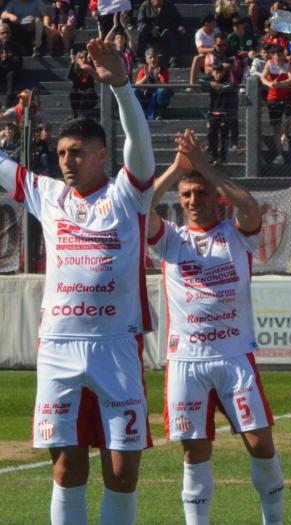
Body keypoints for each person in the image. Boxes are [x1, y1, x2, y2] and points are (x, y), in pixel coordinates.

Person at [0, 38, 155, 525]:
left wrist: (123, 89)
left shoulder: (128, 195)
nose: (66, 161)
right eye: (62, 153)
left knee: (123, 473)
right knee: (67, 470)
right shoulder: (47, 194)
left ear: (103, 156)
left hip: (116, 346)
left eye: (77, 153)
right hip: (58, 347)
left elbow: (142, 148)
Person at [147, 129, 284, 525]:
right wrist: (178, 168)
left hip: (234, 356)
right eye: (186, 195)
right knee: (194, 452)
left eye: (201, 193)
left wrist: (205, 167)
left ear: (216, 198)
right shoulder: (171, 240)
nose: (192, 201)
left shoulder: (235, 235)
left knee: (261, 446)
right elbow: (143, 207)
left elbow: (251, 206)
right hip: (185, 361)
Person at [260, 44, 291, 165]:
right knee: (276, 126)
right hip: (274, 98)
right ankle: (279, 154)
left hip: (287, 97)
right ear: (273, 55)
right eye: (277, 55)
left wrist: (280, 84)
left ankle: (285, 136)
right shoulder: (269, 63)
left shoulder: (288, 62)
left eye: (281, 54)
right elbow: (262, 77)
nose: (280, 57)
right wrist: (269, 83)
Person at [199, 63, 238, 163]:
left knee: (224, 136)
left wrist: (220, 86)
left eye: (220, 72)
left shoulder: (227, 81)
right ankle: (213, 156)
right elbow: (199, 81)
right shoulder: (210, 80)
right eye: (216, 72)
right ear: (212, 72)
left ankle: (223, 157)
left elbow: (233, 85)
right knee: (212, 135)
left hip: (224, 114)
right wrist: (210, 84)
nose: (218, 75)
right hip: (212, 113)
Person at [135, 48, 173, 120]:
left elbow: (165, 86)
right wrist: (145, 77)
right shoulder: (143, 70)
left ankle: (159, 113)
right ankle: (140, 112)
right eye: (150, 57)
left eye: (154, 57)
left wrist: (157, 78)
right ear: (146, 59)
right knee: (134, 91)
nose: (153, 60)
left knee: (162, 91)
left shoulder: (163, 70)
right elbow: (136, 84)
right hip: (146, 95)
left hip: (158, 95)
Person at [68, 49, 99, 119]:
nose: (83, 59)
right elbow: (69, 77)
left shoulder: (90, 66)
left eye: (85, 57)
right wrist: (73, 63)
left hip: (88, 90)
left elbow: (96, 74)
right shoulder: (75, 67)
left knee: (89, 93)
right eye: (81, 57)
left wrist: (91, 61)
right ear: (77, 59)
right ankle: (74, 113)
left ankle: (90, 112)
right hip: (78, 89)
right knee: (73, 94)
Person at [0, 24, 23, 107]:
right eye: (2, 33)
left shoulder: (15, 46)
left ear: (10, 34)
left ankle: (8, 102)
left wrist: (7, 59)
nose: (5, 35)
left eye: (7, 32)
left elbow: (18, 62)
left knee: (12, 74)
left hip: (10, 70)